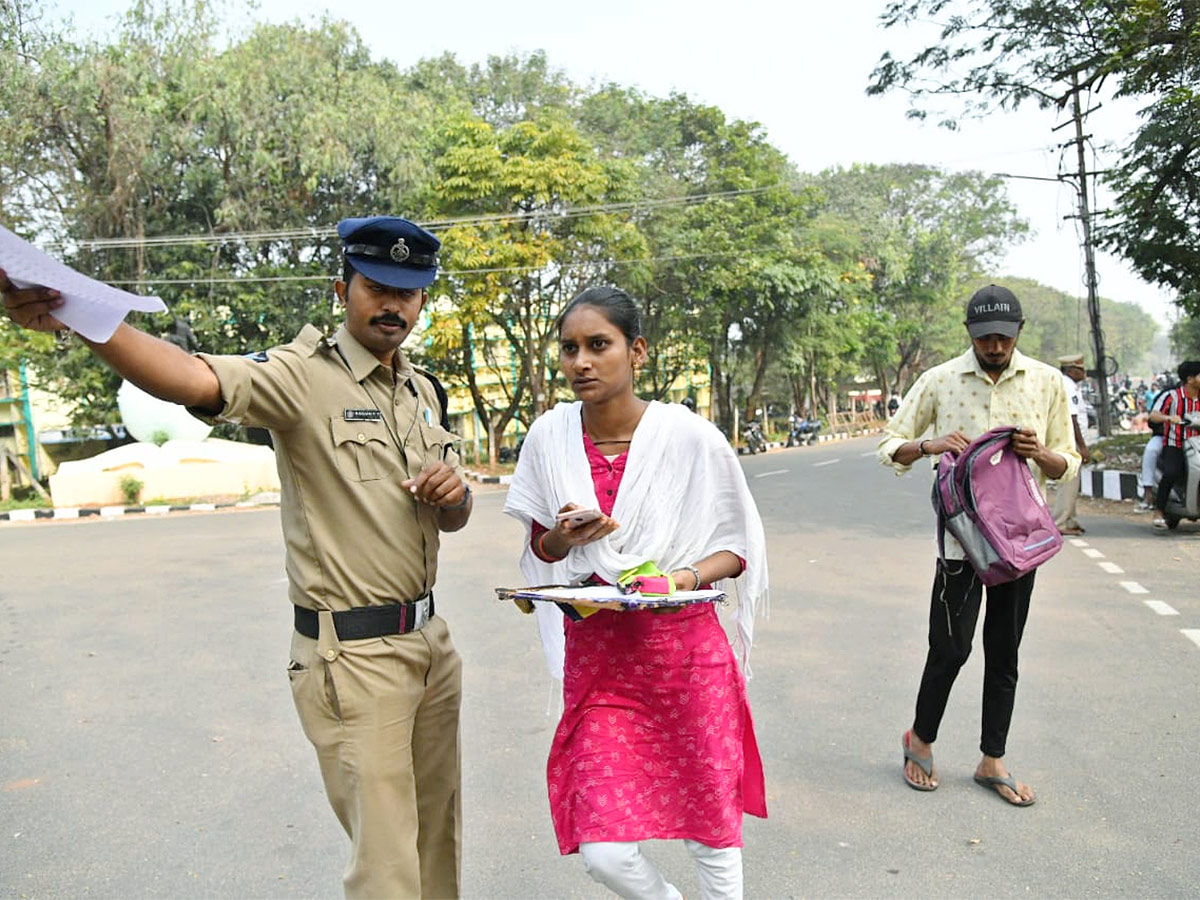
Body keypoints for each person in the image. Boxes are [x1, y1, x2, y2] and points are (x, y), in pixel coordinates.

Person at [1, 216, 472, 899]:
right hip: (356, 658)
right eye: (376, 286)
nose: (393, 304)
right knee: (388, 868)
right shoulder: (301, 377)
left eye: (410, 291)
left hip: (431, 645)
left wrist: (453, 492)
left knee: (437, 846)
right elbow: (191, 379)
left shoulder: (423, 392)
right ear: (341, 289)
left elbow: (451, 518)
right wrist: (81, 318)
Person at [503, 286, 768, 900]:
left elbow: (737, 548)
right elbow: (539, 551)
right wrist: (564, 541)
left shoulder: (689, 436)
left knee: (712, 837)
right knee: (604, 852)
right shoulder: (548, 437)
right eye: (569, 349)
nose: (581, 362)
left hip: (687, 663)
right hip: (602, 670)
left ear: (636, 350)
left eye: (599, 345)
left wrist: (678, 580)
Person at [877, 284, 1079, 807]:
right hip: (961, 544)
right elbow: (889, 445)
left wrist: (1042, 454)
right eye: (985, 338)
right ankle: (919, 740)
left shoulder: (1046, 382)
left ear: (1019, 333)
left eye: (1003, 338)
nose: (994, 347)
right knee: (951, 646)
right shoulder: (940, 380)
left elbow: (1068, 461)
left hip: (1018, 544)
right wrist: (929, 444)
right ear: (969, 334)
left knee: (1004, 651)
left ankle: (993, 758)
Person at [1148, 360, 1200, 530]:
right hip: (1176, 443)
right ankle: (1160, 511)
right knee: (1171, 472)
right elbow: (1154, 415)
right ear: (1190, 379)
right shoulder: (1172, 396)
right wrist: (1168, 418)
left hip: (1197, 445)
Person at [1052, 353, 1090, 535]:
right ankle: (1060, 522)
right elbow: (1072, 418)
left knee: (1073, 482)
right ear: (1072, 370)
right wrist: (1082, 446)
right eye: (1081, 369)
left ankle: (1070, 519)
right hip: (1070, 440)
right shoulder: (1067, 385)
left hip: (1070, 439)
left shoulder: (1070, 385)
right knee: (1069, 482)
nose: (1085, 373)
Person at [1138, 382, 1172, 511]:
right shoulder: (1169, 395)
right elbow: (1153, 419)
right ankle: (1148, 494)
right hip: (1165, 436)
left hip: (1193, 437)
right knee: (1151, 450)